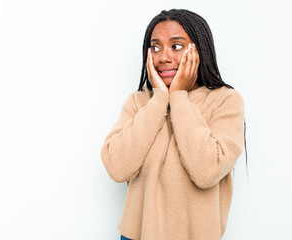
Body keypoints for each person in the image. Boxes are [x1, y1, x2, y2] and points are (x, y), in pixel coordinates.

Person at [101, 9, 246, 240]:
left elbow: (206, 172)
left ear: (200, 49)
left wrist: (178, 97)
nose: (163, 57)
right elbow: (117, 167)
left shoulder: (225, 101)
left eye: (176, 46)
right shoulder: (139, 102)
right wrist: (159, 99)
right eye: (155, 47)